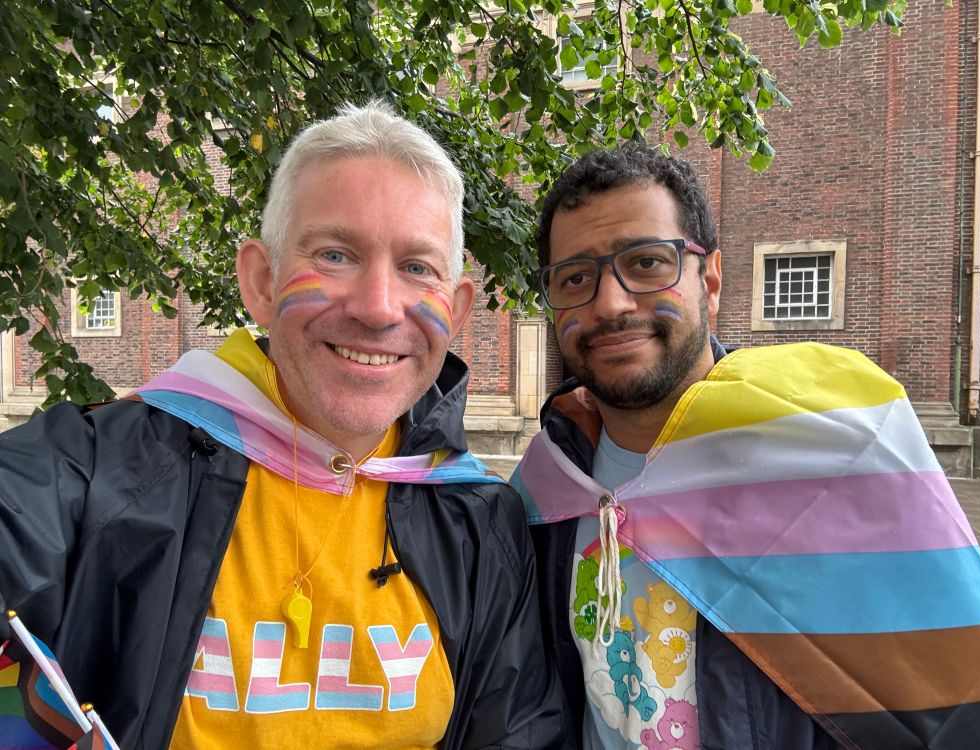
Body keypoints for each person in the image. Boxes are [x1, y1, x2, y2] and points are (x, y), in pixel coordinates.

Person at [0, 101, 567, 749]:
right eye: (334, 254)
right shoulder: (101, 470)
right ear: (261, 281)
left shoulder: (479, 525)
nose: (379, 308)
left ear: (457, 309)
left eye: (417, 268)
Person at [511, 145, 980, 750]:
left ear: (709, 280)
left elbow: (963, 704)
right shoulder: (544, 487)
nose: (610, 304)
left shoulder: (830, 453)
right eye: (576, 278)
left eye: (646, 263)